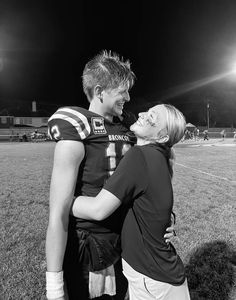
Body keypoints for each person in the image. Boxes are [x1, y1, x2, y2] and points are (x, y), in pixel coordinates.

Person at [45, 51, 174, 300]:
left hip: (129, 241)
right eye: (122, 91)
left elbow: (152, 177)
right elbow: (57, 215)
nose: (128, 97)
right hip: (93, 245)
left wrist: (164, 220)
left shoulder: (129, 128)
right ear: (100, 90)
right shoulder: (78, 128)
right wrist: (54, 286)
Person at [72, 104, 190, 300]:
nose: (142, 114)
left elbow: (97, 210)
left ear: (161, 137)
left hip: (153, 279)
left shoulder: (140, 155)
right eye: (147, 110)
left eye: (152, 117)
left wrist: (63, 201)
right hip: (159, 277)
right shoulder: (158, 156)